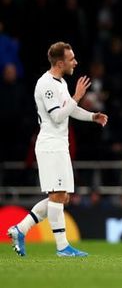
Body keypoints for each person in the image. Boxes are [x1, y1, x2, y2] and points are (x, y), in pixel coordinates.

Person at [7, 42, 108, 257]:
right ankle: (62, 247)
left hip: (60, 146)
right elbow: (57, 116)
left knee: (62, 197)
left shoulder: (60, 82)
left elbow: (69, 110)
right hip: (50, 146)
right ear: (60, 62)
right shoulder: (45, 84)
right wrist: (77, 96)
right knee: (57, 195)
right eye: (72, 59)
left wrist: (92, 116)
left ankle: (20, 229)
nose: (76, 62)